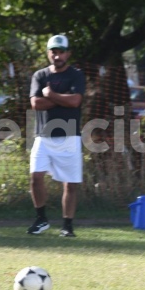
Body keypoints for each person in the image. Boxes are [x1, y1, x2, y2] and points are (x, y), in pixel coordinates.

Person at [26, 35, 85, 238]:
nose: (57, 55)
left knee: (70, 184)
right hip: (43, 136)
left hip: (69, 136)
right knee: (35, 177)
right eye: (53, 51)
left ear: (68, 53)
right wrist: (63, 99)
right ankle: (41, 219)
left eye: (61, 51)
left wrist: (50, 95)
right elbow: (36, 104)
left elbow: (76, 100)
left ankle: (67, 225)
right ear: (48, 52)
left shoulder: (76, 75)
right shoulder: (40, 75)